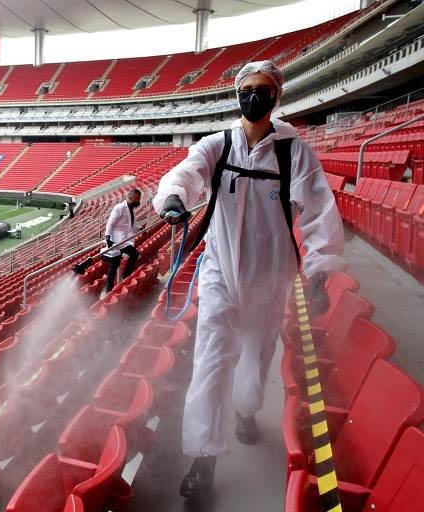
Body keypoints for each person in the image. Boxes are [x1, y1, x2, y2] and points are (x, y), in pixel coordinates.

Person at [152, 60, 345, 500]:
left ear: (276, 97)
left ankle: (246, 411)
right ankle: (203, 458)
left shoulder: (295, 153)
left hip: (269, 279)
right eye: (247, 88)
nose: (254, 96)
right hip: (220, 274)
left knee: (255, 361)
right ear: (237, 93)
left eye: (263, 89)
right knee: (210, 363)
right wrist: (174, 199)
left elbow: (319, 212)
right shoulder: (217, 145)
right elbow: (186, 173)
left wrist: (318, 272)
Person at [103, 189, 141, 292]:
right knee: (133, 254)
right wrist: (107, 237)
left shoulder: (132, 208)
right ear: (130, 198)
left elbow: (131, 224)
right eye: (137, 200)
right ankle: (124, 277)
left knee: (115, 264)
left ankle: (111, 287)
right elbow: (110, 223)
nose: (138, 202)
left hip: (125, 240)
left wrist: (139, 228)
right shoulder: (119, 207)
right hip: (116, 240)